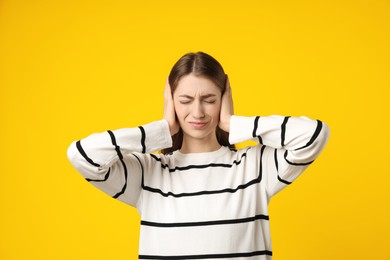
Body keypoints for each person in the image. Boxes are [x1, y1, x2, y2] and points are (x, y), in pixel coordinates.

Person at [67, 51, 330, 259]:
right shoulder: (148, 173)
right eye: (185, 100)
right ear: (170, 101)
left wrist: (231, 123)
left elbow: (314, 134)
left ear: (224, 99)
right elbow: (83, 155)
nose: (198, 112)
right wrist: (164, 129)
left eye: (209, 99)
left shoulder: (255, 167)